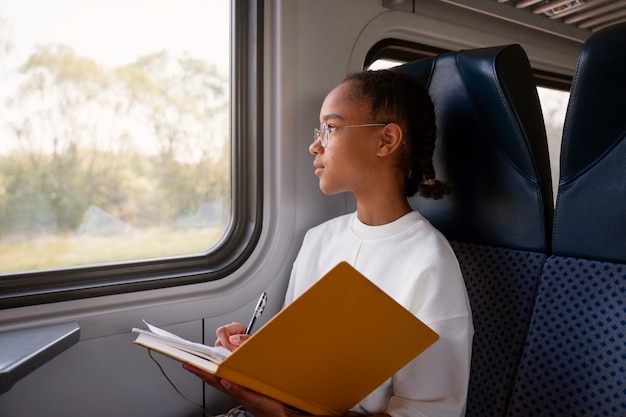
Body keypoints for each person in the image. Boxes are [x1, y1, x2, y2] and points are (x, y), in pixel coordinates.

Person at [184, 69, 474, 417]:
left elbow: (429, 412)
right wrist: (253, 357)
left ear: (386, 140)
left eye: (331, 128)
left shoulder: (429, 261)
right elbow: (299, 366)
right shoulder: (319, 239)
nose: (315, 144)